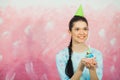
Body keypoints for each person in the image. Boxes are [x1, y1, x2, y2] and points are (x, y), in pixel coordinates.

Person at [56, 5, 103, 80]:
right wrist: (80, 68)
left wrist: (92, 69)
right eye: (77, 29)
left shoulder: (97, 54)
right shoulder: (61, 56)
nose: (82, 32)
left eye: (85, 29)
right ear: (70, 32)